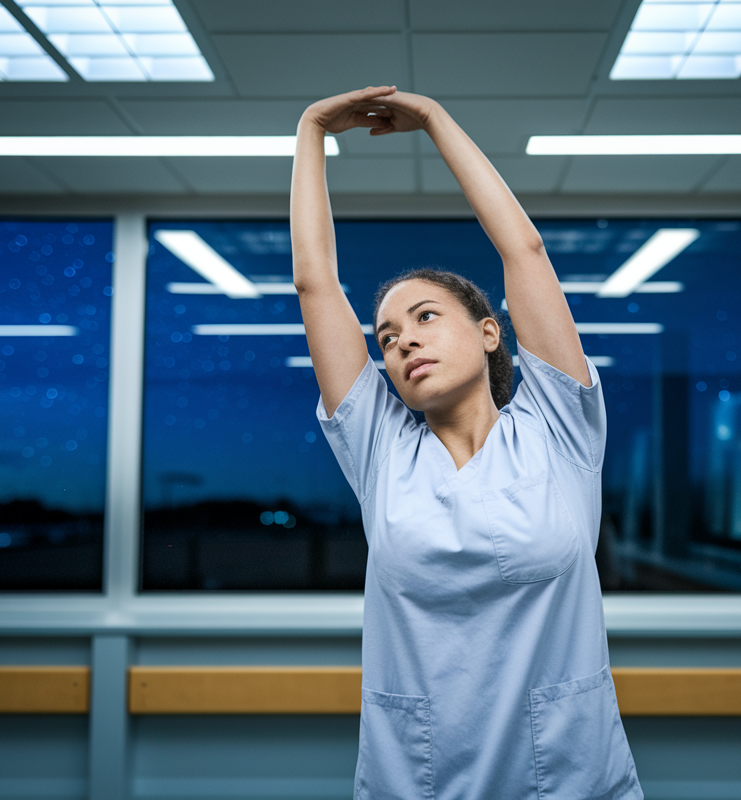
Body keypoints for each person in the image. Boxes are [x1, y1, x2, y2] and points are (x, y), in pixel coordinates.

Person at [291, 85, 642, 800]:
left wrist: (435, 120)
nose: (403, 341)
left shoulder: (558, 428)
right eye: (387, 338)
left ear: (490, 333)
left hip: (570, 775)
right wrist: (311, 131)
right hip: (417, 777)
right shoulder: (381, 450)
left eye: (425, 317)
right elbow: (315, 285)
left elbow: (524, 248)